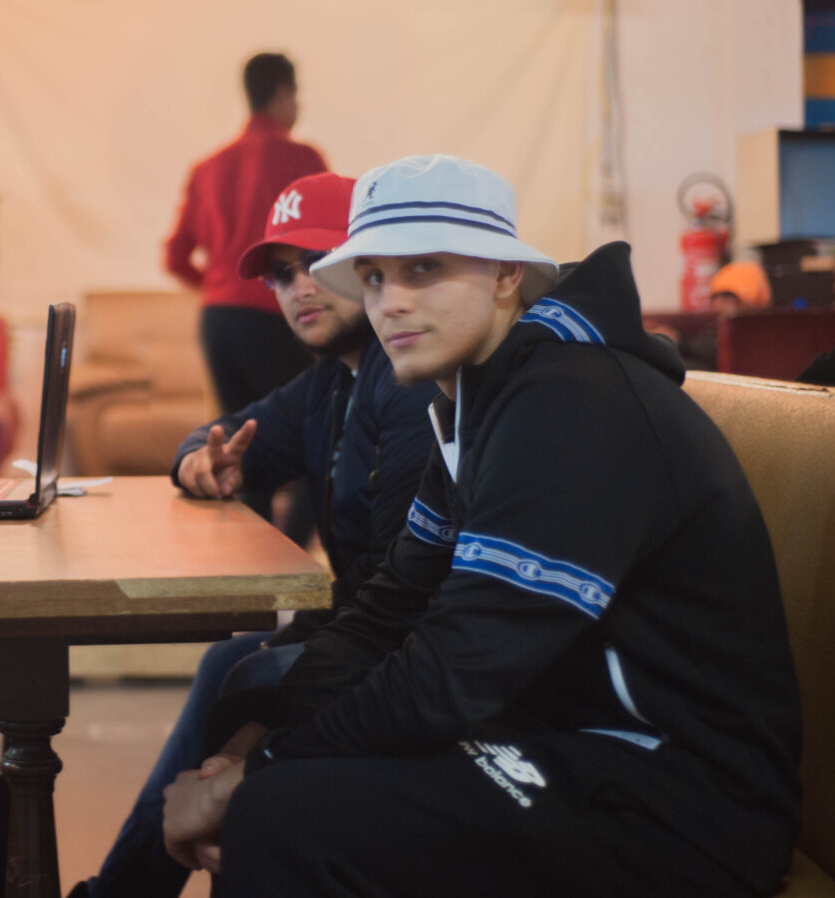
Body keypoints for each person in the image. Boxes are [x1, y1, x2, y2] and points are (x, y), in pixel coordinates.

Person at [164, 154, 802, 898]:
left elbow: (455, 668)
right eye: (373, 277)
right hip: (563, 741)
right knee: (267, 760)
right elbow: (386, 613)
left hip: (681, 798)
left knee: (279, 812)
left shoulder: (573, 403)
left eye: (424, 268)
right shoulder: (475, 404)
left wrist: (253, 776)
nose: (391, 303)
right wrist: (258, 740)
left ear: (505, 274)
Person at [82, 172, 435, 898]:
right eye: (281, 274)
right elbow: (225, 435)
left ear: (370, 263)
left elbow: (402, 596)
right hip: (363, 622)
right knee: (231, 661)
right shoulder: (331, 382)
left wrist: (243, 752)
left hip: (413, 650)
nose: (299, 287)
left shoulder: (408, 383)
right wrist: (197, 460)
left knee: (247, 674)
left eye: (317, 262)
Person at [164, 53, 328, 422]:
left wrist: (219, 287)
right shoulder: (302, 160)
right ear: (283, 93)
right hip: (275, 317)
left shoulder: (206, 169)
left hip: (218, 321)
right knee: (300, 433)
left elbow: (175, 257)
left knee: (241, 438)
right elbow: (327, 243)